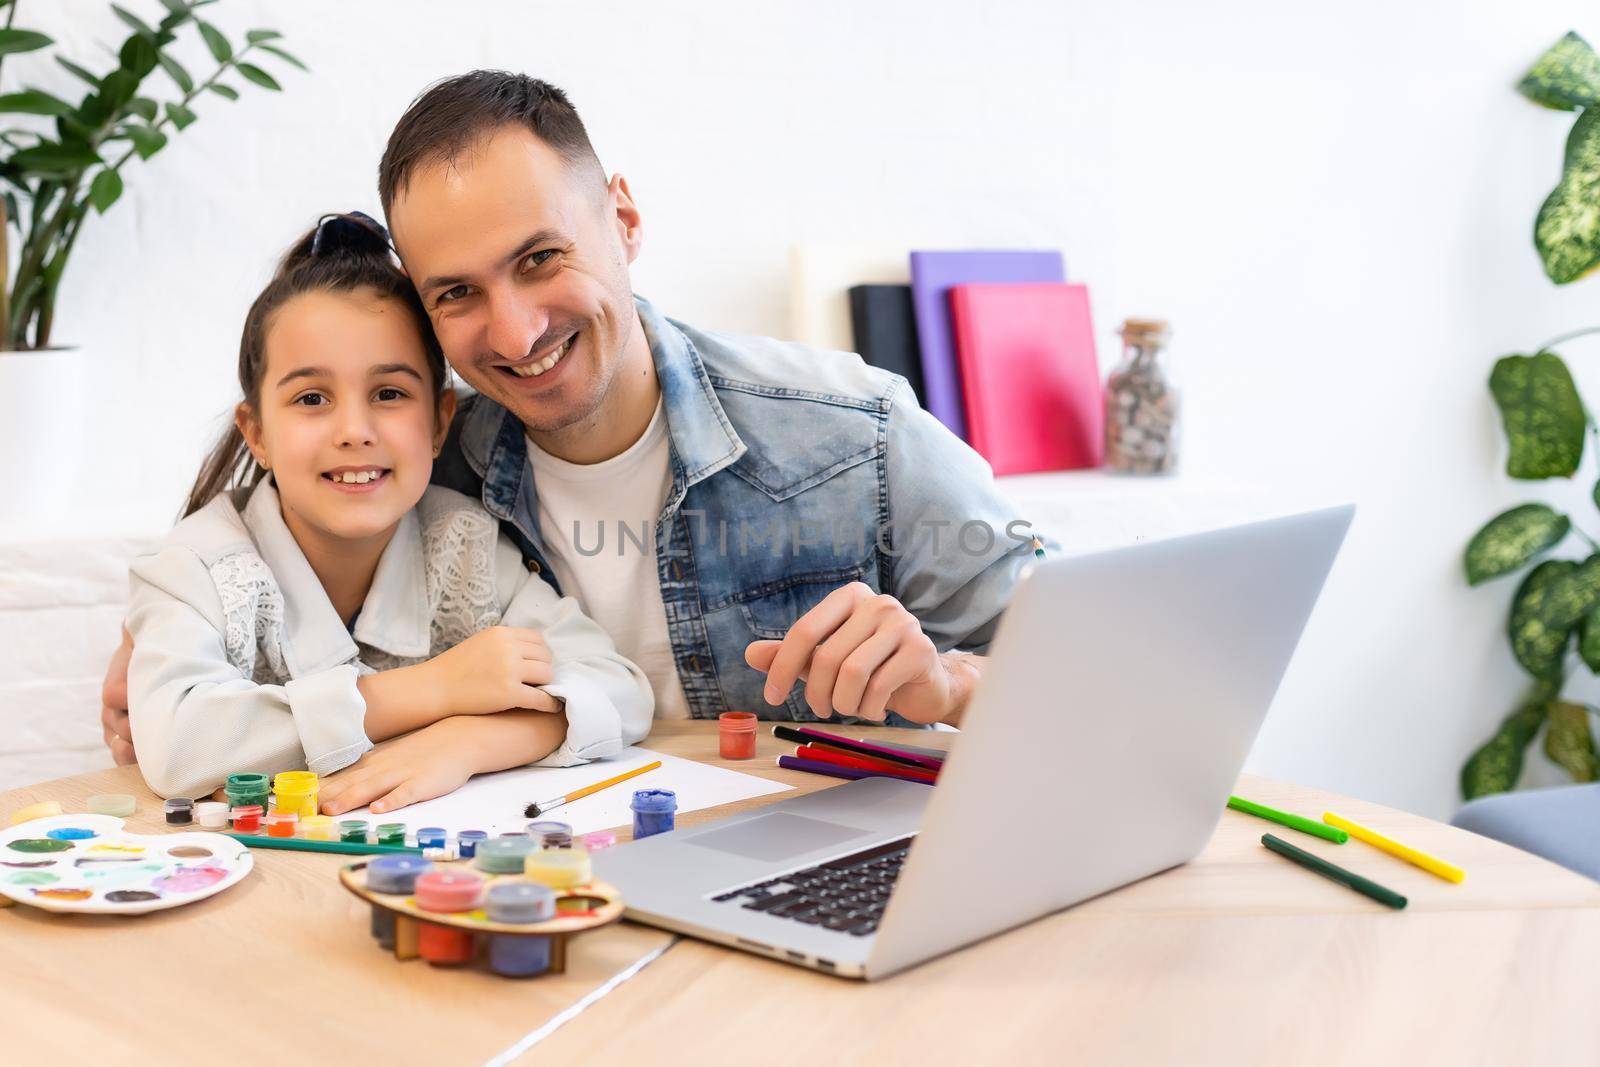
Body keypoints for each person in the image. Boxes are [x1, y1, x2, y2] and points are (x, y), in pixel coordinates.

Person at [102, 72, 1048, 764]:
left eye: (541, 257)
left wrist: (956, 686)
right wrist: (159, 639)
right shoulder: (426, 467)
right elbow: (271, 538)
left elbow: (1117, 667)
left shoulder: (853, 434)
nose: (514, 331)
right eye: (457, 292)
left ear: (623, 219)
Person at [124, 212, 651, 813]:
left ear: (439, 422)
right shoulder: (192, 567)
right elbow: (177, 744)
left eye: (389, 394)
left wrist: (473, 740)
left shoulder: (464, 545)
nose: (354, 430)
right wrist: (437, 689)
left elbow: (620, 687)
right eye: (312, 398)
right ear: (257, 433)